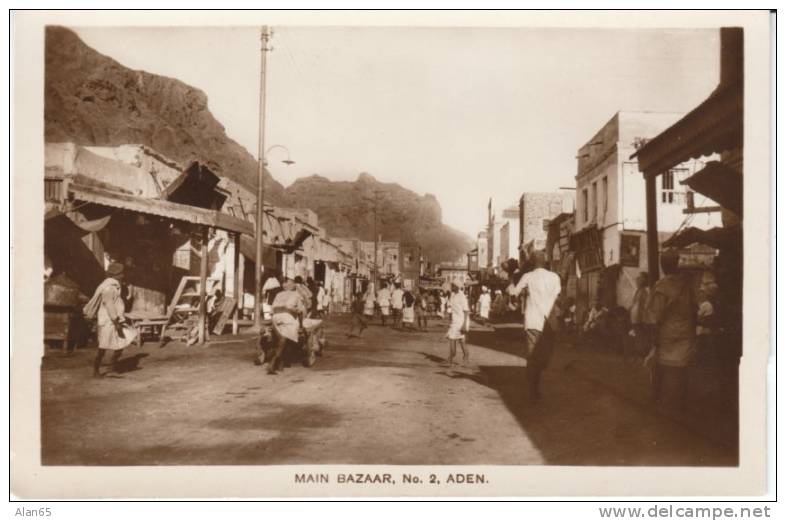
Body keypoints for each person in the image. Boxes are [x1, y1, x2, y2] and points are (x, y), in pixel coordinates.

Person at [645, 249, 697, 410]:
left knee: (658, 365)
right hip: (685, 332)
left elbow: (654, 315)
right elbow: (694, 308)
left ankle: (657, 397)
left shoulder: (661, 286)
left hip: (666, 333)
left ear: (663, 265)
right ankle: (682, 401)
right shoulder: (687, 285)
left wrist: (653, 338)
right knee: (682, 367)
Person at [509, 251, 561, 402]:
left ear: (532, 263)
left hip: (533, 321)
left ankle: (533, 384)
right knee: (545, 356)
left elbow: (514, 293)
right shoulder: (554, 277)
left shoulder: (528, 276)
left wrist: (512, 278)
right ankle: (533, 389)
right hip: (549, 322)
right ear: (545, 261)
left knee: (534, 357)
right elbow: (558, 298)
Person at [83, 263, 136, 378]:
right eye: (121, 274)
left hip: (116, 319)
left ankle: (112, 366)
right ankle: (96, 370)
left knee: (122, 342)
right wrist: (116, 322)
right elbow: (110, 306)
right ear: (116, 275)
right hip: (109, 321)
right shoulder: (109, 288)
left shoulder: (115, 286)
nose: (123, 276)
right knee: (103, 347)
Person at [267, 278, 307, 374]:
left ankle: (280, 361)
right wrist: (301, 325)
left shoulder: (279, 294)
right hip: (287, 317)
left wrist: (272, 323)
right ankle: (274, 362)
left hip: (275, 317)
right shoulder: (296, 295)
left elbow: (271, 311)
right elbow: (301, 312)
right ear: (293, 286)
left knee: (281, 337)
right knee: (285, 339)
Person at [446, 281, 470, 366]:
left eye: (453, 285)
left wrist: (464, 325)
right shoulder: (452, 295)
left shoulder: (462, 296)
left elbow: (466, 311)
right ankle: (451, 357)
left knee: (461, 341)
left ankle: (465, 355)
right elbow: (450, 307)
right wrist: (450, 318)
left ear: (457, 286)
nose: (451, 287)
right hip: (454, 321)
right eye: (451, 285)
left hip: (461, 321)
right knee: (453, 339)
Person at [627, 273, 651, 360]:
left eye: (639, 278)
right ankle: (639, 353)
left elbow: (644, 306)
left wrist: (642, 317)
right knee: (638, 335)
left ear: (643, 281)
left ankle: (642, 354)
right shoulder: (638, 291)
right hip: (635, 318)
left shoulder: (644, 292)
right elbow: (635, 303)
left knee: (641, 336)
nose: (637, 280)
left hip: (639, 318)